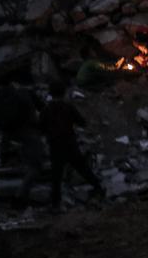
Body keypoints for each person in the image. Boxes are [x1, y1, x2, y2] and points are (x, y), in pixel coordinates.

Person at [39, 79, 105, 208]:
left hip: (55, 145)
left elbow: (41, 128)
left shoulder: (46, 110)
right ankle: (98, 188)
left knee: (56, 175)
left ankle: (55, 204)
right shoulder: (68, 107)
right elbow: (81, 122)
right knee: (82, 168)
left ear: (51, 93)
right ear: (63, 93)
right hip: (69, 143)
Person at [0, 82, 46, 204]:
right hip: (29, 134)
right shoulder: (27, 93)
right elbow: (43, 109)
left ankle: (6, 161)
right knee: (36, 167)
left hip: (9, 135)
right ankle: (19, 197)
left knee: (13, 159)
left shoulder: (4, 97)